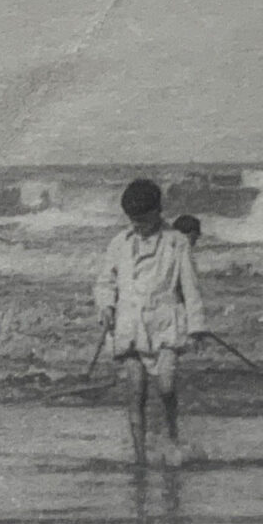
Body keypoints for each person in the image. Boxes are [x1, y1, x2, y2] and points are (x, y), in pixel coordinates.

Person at [93, 178, 205, 468]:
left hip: (166, 324)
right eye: (133, 221)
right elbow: (105, 281)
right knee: (136, 391)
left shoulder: (177, 242)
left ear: (158, 212)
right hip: (128, 325)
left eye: (143, 220)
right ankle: (140, 455)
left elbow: (190, 287)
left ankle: (172, 437)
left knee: (166, 386)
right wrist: (105, 306)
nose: (138, 226)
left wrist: (196, 326)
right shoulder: (120, 242)